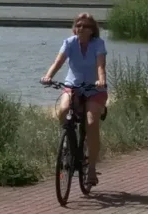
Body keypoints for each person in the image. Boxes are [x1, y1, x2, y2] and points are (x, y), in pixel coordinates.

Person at [39, 12, 108, 186]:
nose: (80, 28)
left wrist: (101, 80)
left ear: (92, 30)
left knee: (91, 123)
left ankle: (91, 168)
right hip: (73, 85)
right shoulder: (69, 43)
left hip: (94, 88)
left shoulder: (98, 44)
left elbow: (101, 65)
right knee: (63, 110)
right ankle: (67, 146)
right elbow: (58, 62)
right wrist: (48, 76)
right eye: (78, 25)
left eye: (84, 26)